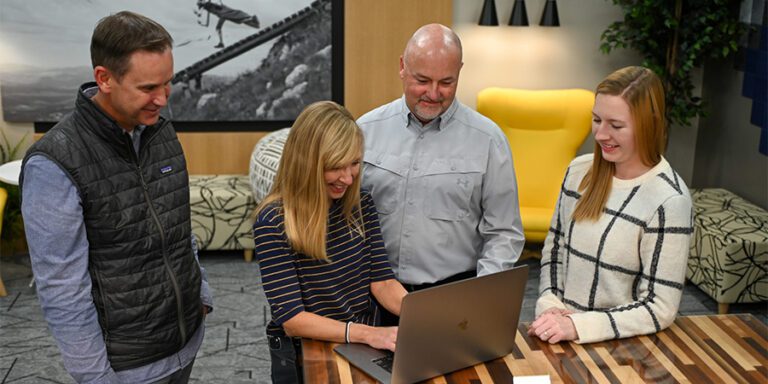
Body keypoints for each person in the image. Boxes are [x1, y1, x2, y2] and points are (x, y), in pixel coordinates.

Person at [20, 11, 212, 383]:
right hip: (126, 368)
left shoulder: (161, 132)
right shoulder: (55, 162)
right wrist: (94, 377)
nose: (162, 98)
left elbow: (178, 226)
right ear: (104, 79)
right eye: (147, 88)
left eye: (167, 83)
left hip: (185, 341)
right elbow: (62, 287)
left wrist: (199, 294)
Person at [357, 24, 525, 299]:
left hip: (453, 294)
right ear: (402, 66)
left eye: (446, 83)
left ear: (459, 71)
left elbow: (504, 233)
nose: (433, 94)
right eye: (422, 80)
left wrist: (483, 296)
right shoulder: (365, 130)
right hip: (371, 293)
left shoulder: (488, 140)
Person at [528, 66, 693, 344]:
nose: (601, 134)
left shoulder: (669, 200)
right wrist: (550, 304)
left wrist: (579, 326)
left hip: (621, 348)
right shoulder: (579, 172)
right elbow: (555, 247)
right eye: (596, 120)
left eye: (615, 125)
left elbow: (659, 307)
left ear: (648, 124)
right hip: (561, 334)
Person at [253, 101, 408, 383]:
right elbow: (292, 320)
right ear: (308, 163)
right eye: (336, 167)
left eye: (355, 163)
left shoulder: (361, 204)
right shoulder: (273, 222)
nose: (348, 178)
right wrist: (366, 333)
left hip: (363, 344)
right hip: (311, 350)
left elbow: (382, 282)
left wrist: (427, 317)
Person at [196, 0, 260, 48]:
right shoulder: (207, 7)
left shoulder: (208, 5)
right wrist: (201, 21)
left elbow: (218, 5)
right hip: (223, 15)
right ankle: (252, 19)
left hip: (224, 14)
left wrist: (200, 13)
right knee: (237, 21)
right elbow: (206, 22)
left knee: (237, 20)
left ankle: (252, 18)